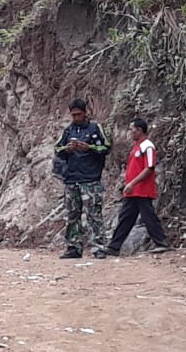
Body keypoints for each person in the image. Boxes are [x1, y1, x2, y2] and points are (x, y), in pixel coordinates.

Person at [97, 118, 173, 257]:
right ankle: (114, 246)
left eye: (132, 129)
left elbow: (149, 168)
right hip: (133, 191)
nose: (130, 132)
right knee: (126, 217)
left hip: (142, 190)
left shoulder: (147, 146)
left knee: (148, 216)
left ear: (139, 130)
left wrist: (132, 183)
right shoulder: (137, 147)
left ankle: (162, 242)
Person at [54, 99, 111, 259]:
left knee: (94, 214)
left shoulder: (95, 128)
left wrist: (90, 147)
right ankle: (73, 247)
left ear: (85, 113)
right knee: (72, 214)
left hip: (91, 179)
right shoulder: (68, 131)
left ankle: (98, 247)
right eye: (73, 115)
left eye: (79, 114)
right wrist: (68, 149)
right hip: (71, 179)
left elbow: (106, 147)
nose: (76, 117)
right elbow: (57, 149)